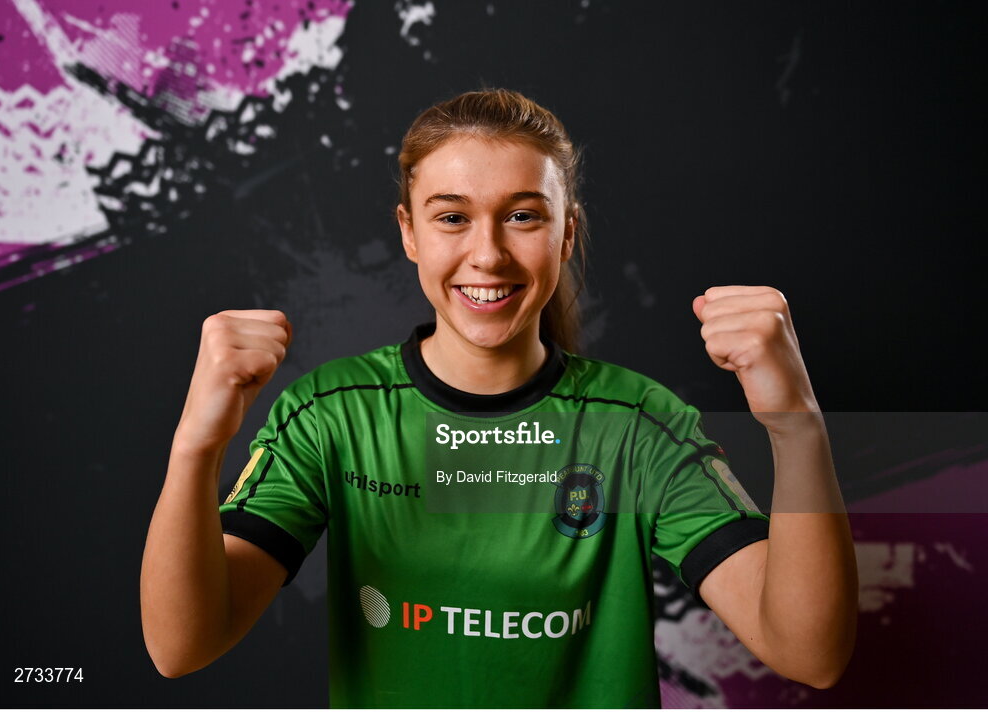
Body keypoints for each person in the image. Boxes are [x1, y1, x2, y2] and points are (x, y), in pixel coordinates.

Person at [140, 89, 858, 707]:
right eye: (452, 217)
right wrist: (195, 447)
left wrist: (796, 424)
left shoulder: (638, 426)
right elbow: (180, 646)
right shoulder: (331, 414)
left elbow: (811, 654)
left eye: (523, 216)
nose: (487, 255)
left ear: (567, 233)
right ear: (409, 233)